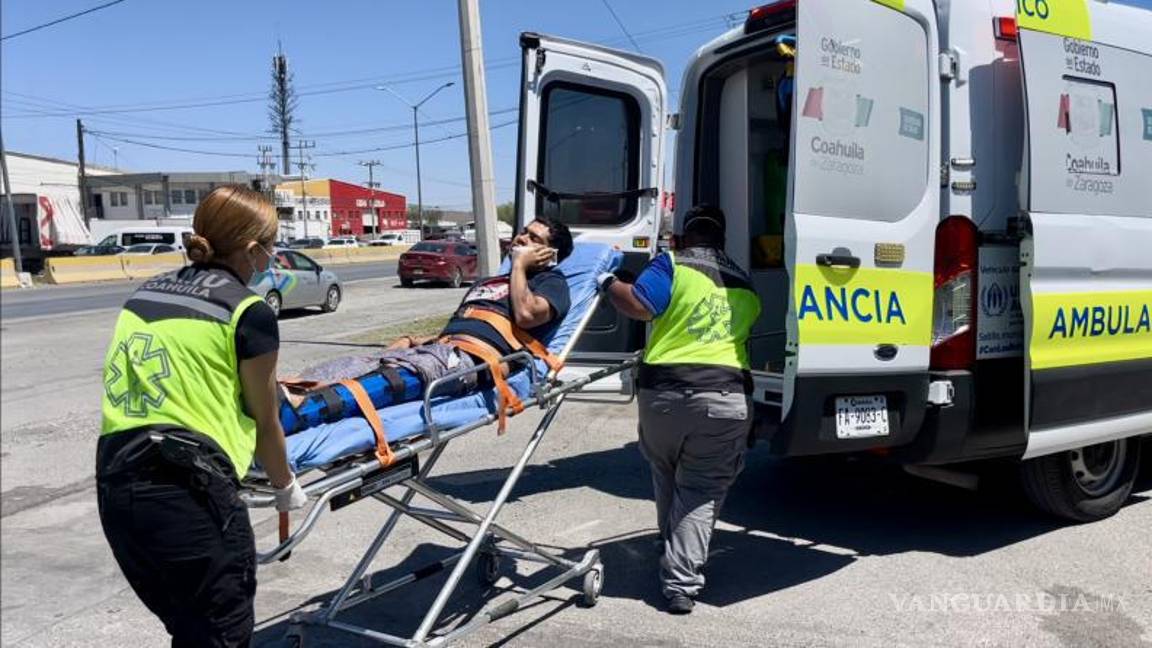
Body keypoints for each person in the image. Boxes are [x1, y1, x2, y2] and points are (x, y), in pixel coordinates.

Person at [97, 186, 306, 647]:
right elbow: (265, 419)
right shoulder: (247, 311)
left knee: (191, 629)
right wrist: (284, 485)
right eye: (270, 248)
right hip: (186, 488)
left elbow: (184, 374)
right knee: (221, 630)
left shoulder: (145, 293)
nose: (271, 258)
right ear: (252, 250)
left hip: (117, 483)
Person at [598, 204, 761, 615]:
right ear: (721, 239)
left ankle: (671, 552)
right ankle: (681, 583)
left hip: (665, 395)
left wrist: (605, 282)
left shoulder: (670, 262)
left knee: (666, 471)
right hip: (726, 396)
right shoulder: (744, 281)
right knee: (701, 489)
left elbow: (640, 304)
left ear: (684, 237)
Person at [278, 216, 574, 434]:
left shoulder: (552, 283)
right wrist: (418, 339)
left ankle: (286, 420)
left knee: (385, 382)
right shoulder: (491, 282)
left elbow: (525, 316)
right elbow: (471, 324)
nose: (522, 239)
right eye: (524, 232)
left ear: (550, 255)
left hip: (470, 362)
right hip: (439, 350)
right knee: (341, 367)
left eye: (535, 239)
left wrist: (520, 265)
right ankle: (278, 397)